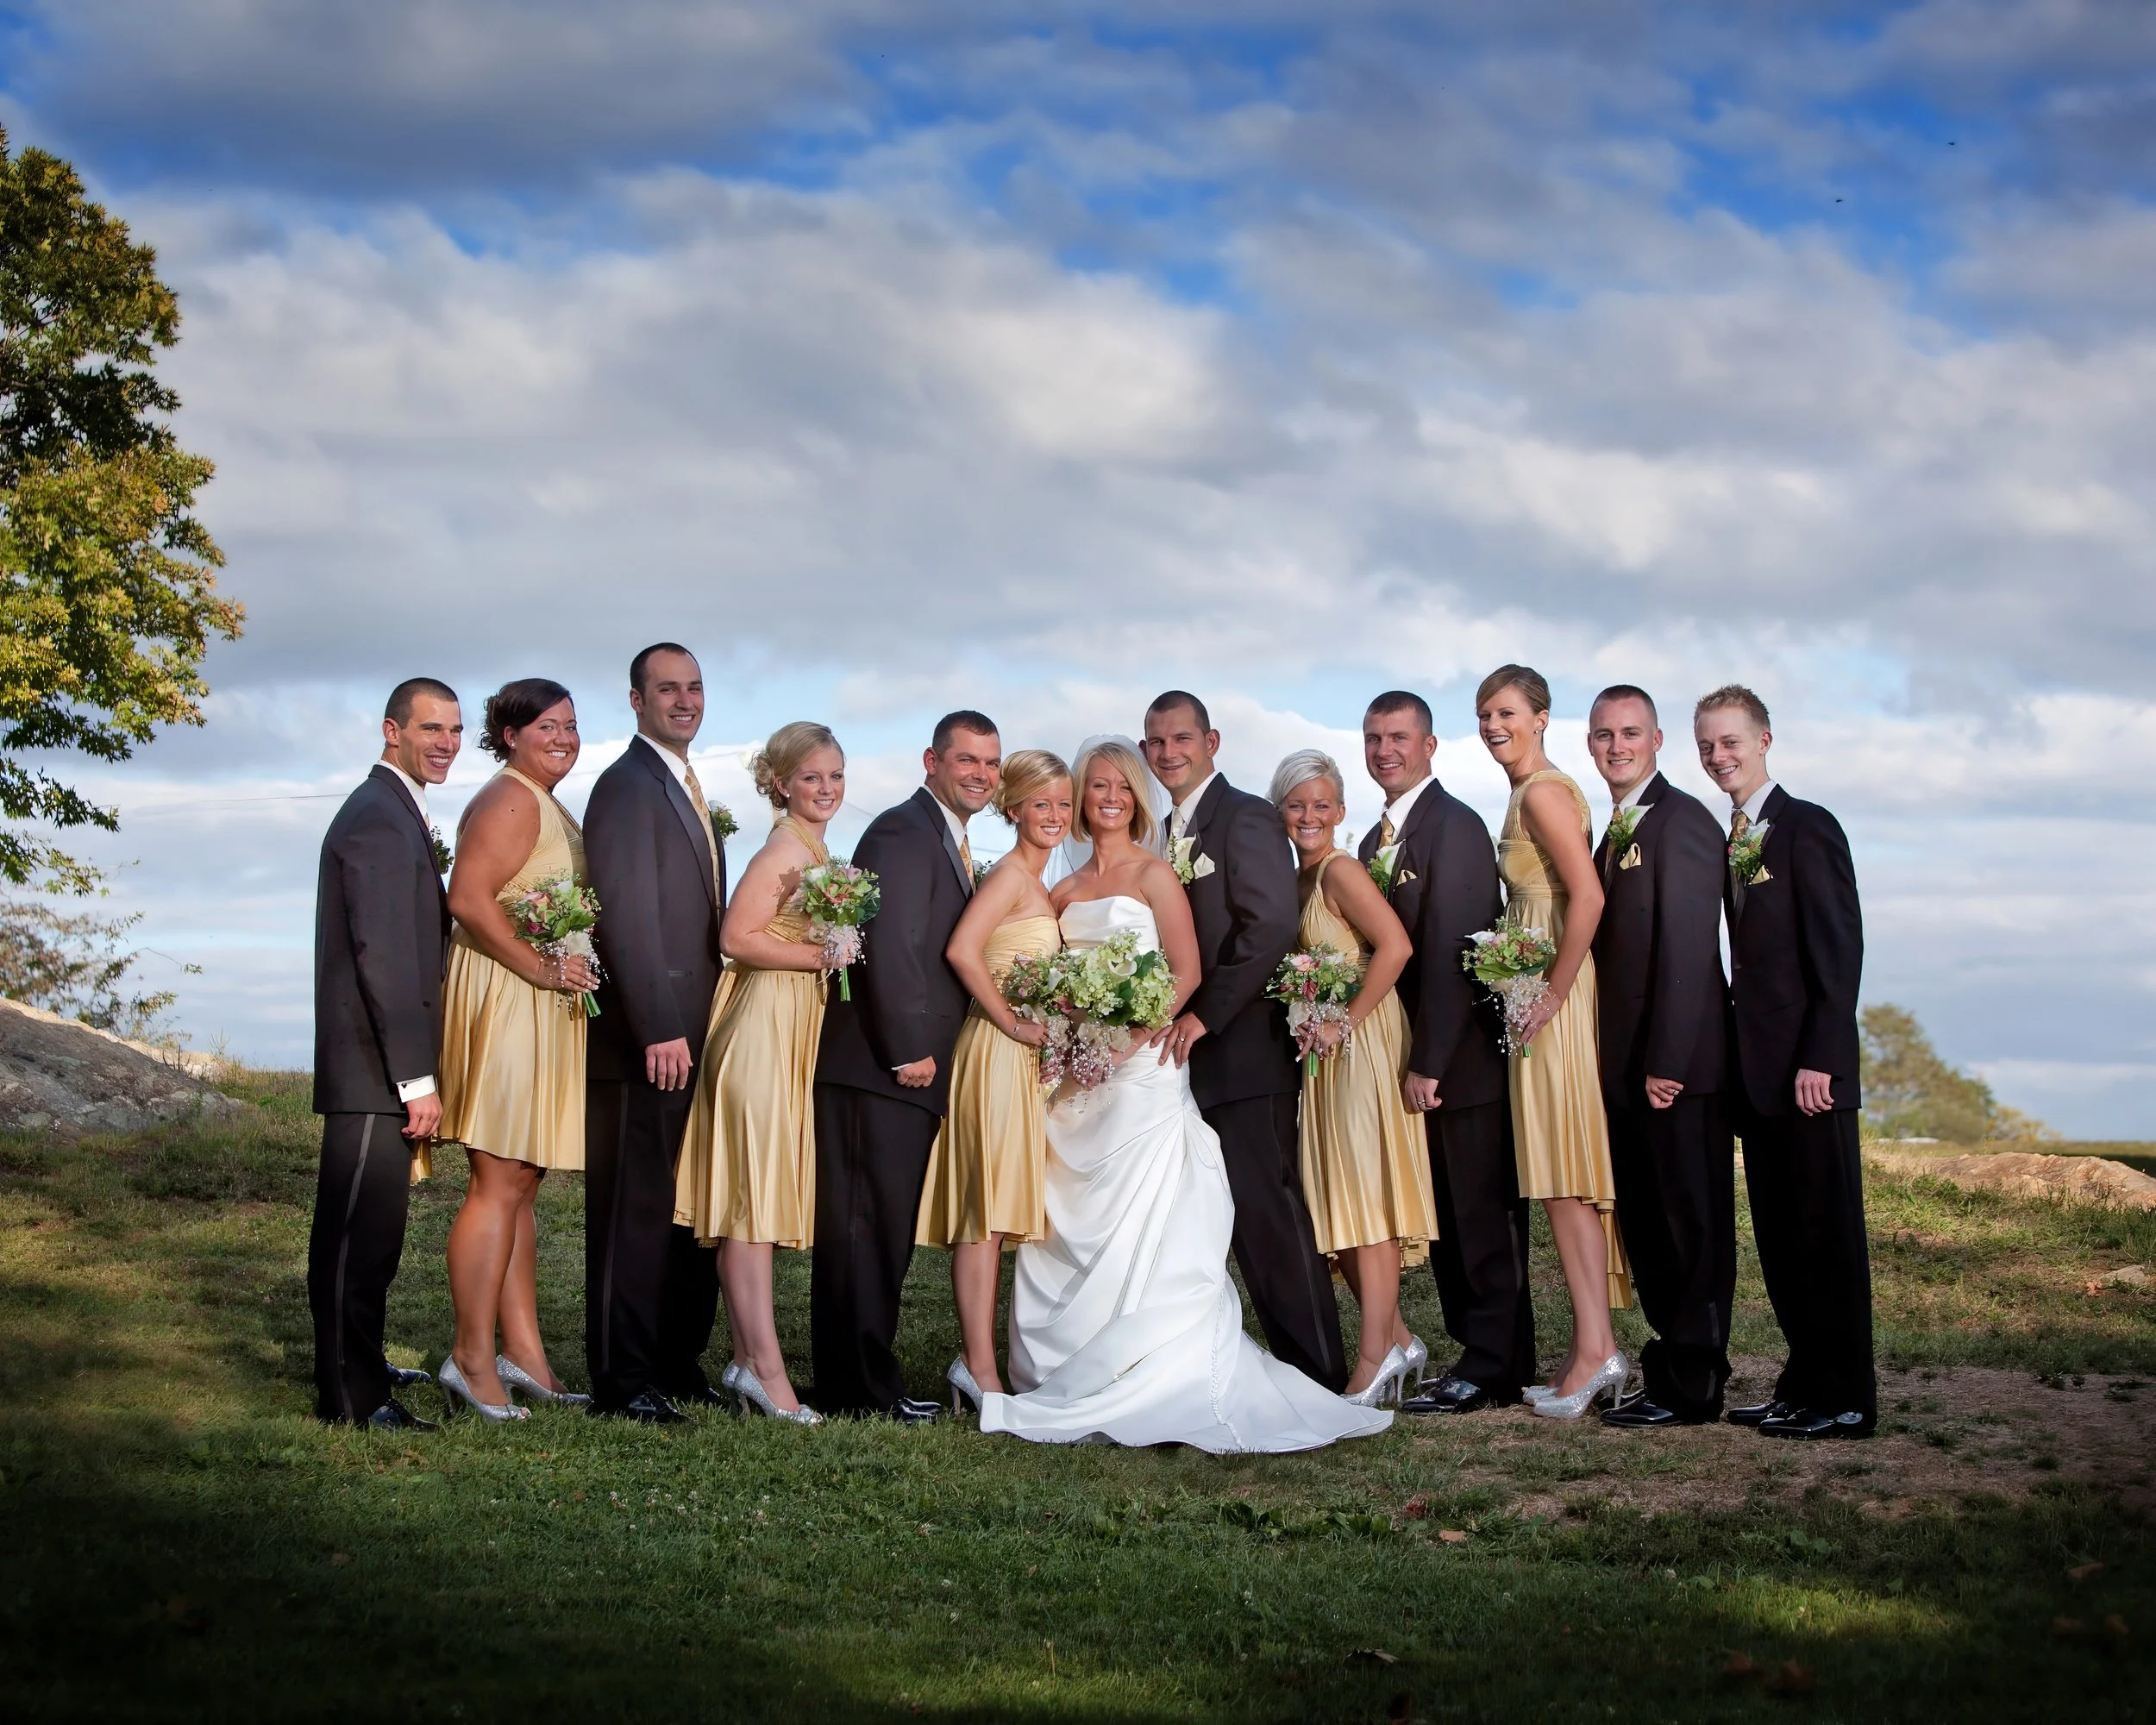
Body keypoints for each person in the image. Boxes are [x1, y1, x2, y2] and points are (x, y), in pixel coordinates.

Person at [981, 740, 1390, 1452]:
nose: (1109, 796)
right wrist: (1063, 1032)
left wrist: (1129, 1035)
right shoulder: (1063, 891)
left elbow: (1187, 969)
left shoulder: (1158, 873)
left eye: (1120, 785)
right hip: (1080, 1083)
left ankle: (1163, 1361)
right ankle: (1073, 1362)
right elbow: (1040, 968)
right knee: (1069, 1213)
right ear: (1079, 797)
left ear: (1137, 795)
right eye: (1095, 786)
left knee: (1158, 1218)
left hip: (1143, 1068)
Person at [1141, 693, 1347, 1393]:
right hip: (1187, 1059)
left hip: (1245, 1050)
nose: (1170, 753)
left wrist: (1206, 1015)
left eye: (1182, 739)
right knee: (1219, 1217)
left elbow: (1268, 924)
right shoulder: (1165, 829)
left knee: (1269, 1209)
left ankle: (1318, 1369)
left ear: (1212, 741)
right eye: (1157, 743)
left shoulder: (1246, 816)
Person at [812, 712, 1001, 1422]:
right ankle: (857, 1391)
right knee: (863, 1231)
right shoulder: (901, 831)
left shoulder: (941, 837)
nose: (979, 774)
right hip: (880, 1066)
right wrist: (905, 1048)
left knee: (880, 1230)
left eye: (990, 762)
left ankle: (864, 1381)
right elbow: (888, 941)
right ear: (932, 761)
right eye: (966, 760)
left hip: (902, 1070)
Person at [1695, 685, 1874, 1441]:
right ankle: (1803, 1387)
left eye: (1731, 742)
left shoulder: (1807, 828)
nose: (1719, 757)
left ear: (1765, 740)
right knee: (1785, 1244)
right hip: (1761, 1081)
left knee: (1827, 1242)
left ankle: (1847, 1399)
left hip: (1809, 1079)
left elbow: (1839, 950)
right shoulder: (1735, 837)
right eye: (1707, 746)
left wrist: (1822, 1060)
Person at [1357, 690, 1533, 1414]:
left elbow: (1458, 953)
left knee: (1481, 1217)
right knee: (1452, 1222)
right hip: (1405, 1060)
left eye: (1399, 737)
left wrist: (1428, 1060)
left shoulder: (1454, 826)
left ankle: (1495, 1364)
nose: (1385, 751)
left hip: (1458, 1062)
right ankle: (1480, 1354)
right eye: (1373, 739)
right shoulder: (1374, 841)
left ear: (1430, 746)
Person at [434, 679, 597, 1421]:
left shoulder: (545, 798)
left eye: (570, 726)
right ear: (508, 734)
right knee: (497, 1182)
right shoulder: (510, 798)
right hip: (506, 999)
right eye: (547, 727)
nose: (563, 738)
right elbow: (467, 899)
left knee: (523, 1178)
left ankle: (522, 1352)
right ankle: (469, 1358)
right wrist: (537, 967)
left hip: (541, 1003)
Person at [1474, 666, 1633, 1421]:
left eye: (1506, 712)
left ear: (1540, 717)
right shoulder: (1528, 790)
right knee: (1557, 1177)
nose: (1494, 725)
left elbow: (1590, 896)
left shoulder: (1541, 790)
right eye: (1484, 715)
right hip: (1535, 989)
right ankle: (1587, 1347)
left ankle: (1598, 1351)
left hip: (1553, 1000)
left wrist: (1552, 994)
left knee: (1565, 1173)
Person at [674, 722, 844, 1424]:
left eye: (835, 777)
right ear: (781, 784)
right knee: (751, 1207)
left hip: (787, 1030)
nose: (826, 790)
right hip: (760, 1033)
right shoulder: (782, 850)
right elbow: (734, 939)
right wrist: (822, 958)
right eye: (811, 778)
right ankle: (767, 1373)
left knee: (757, 1202)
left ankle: (746, 1361)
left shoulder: (815, 849)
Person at [307, 677, 461, 1431]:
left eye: (455, 731)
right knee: (354, 1241)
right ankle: (351, 1397)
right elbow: (384, 958)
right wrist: (415, 1077)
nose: (444, 743)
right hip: (373, 1067)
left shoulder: (399, 811)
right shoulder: (376, 818)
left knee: (374, 1238)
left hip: (380, 1069)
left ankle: (354, 1362)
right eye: (430, 728)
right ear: (390, 730)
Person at [581, 643, 726, 1426]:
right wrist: (659, 1029)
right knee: (633, 1213)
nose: (684, 700)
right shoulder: (625, 787)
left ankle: (674, 1360)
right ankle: (621, 1378)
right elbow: (624, 915)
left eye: (694, 687)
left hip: (698, 1036)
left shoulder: (686, 787)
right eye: (667, 689)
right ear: (634, 701)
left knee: (683, 1208)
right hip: (650, 1044)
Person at [1585, 686, 1736, 1429]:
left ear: (1657, 740)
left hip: (1675, 1072)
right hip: (1626, 1069)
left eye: (1630, 733)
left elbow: (1687, 951)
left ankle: (1695, 1384)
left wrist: (1667, 1062)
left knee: (1689, 1228)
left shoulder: (1684, 822)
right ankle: (1672, 1368)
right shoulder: (1616, 829)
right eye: (1605, 735)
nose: (1617, 747)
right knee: (1650, 1228)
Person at [1269, 749, 1437, 1407]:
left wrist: (1343, 1021)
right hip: (1324, 1053)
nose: (1308, 816)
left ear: (1341, 812)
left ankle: (1373, 1360)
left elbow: (1395, 944)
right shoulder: (1297, 877)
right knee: (1339, 1193)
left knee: (1367, 1195)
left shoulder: (1339, 870)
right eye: (1295, 804)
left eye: (1321, 805)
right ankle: (1396, 1338)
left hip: (1362, 1045)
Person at [918, 750, 1069, 1413]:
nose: (1055, 816)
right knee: (986, 1214)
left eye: (1064, 804)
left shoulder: (1040, 881)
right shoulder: (1010, 875)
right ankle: (979, 1368)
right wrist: (1009, 1021)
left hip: (1030, 1059)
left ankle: (978, 1360)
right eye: (1041, 804)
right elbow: (961, 950)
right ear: (1013, 809)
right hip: (997, 1051)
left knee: (1007, 1213)